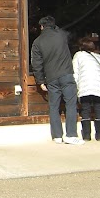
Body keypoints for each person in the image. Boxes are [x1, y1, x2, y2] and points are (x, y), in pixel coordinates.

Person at [30, 16, 82, 144]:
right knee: (70, 104)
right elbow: (69, 34)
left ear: (41, 27)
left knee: (53, 106)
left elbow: (36, 63)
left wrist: (40, 81)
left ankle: (57, 136)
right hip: (66, 74)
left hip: (51, 77)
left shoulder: (37, 42)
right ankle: (71, 135)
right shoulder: (61, 35)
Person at [72, 36, 100, 142]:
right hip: (99, 86)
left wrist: (77, 87)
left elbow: (75, 72)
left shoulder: (78, 55)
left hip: (84, 86)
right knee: (99, 109)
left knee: (85, 110)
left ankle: (86, 135)